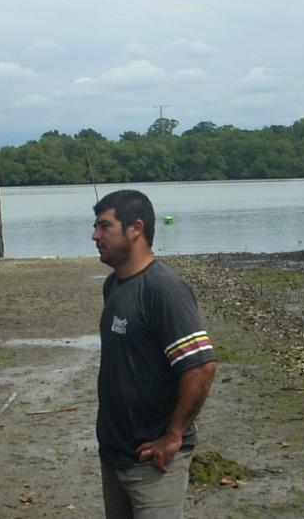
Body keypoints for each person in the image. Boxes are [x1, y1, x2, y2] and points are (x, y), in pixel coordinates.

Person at [91, 190, 218, 519]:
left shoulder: (164, 289)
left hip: (153, 460)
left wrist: (173, 435)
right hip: (115, 454)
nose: (95, 235)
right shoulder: (114, 285)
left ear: (135, 228)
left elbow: (201, 366)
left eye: (104, 226)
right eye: (95, 227)